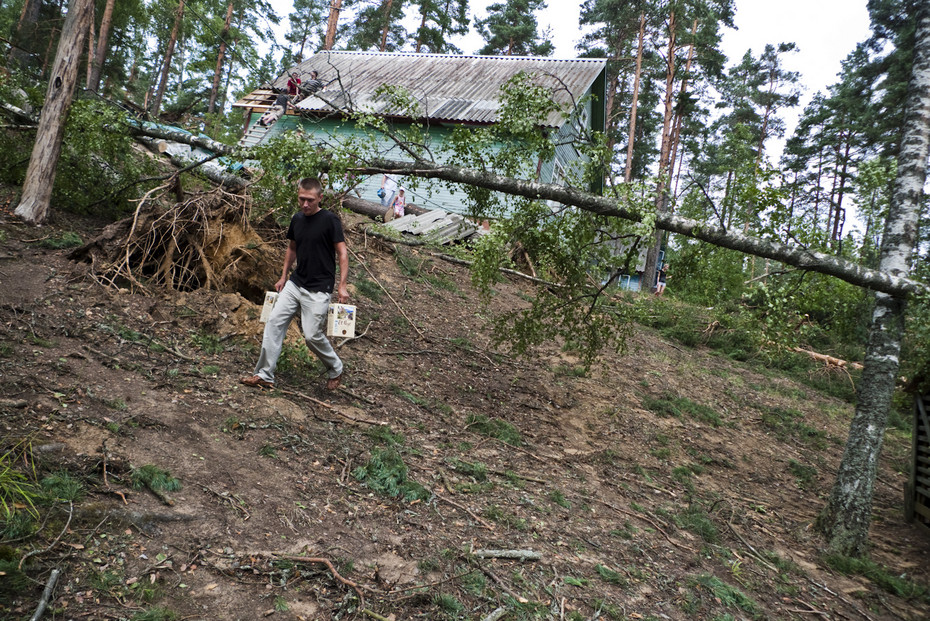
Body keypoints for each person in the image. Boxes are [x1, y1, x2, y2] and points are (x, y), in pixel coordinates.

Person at [241, 177, 349, 391]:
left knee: (311, 335)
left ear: (320, 198)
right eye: (301, 199)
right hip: (296, 282)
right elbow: (292, 248)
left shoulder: (330, 220)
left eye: (310, 200)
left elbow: (342, 253)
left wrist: (342, 286)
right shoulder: (297, 219)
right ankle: (264, 375)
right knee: (274, 322)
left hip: (319, 288)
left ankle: (336, 367)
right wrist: (283, 276)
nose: (305, 204)